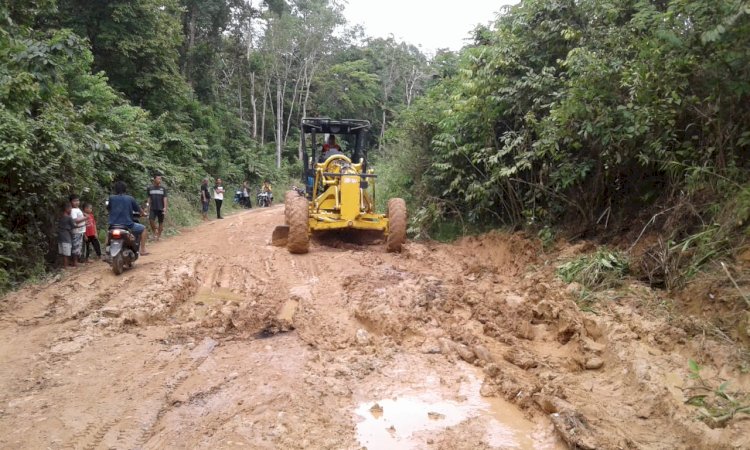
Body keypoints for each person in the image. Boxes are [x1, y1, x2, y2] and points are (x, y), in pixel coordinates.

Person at [107, 181, 148, 255]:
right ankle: (143, 250)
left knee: (108, 234)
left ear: (115, 189)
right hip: (127, 224)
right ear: (125, 189)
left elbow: (109, 209)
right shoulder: (130, 198)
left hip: (113, 225)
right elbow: (138, 210)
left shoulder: (111, 198)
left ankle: (106, 251)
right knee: (143, 229)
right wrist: (143, 214)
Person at [146, 175, 168, 241]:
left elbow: (165, 198)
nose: (159, 180)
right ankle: (155, 231)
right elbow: (149, 198)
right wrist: (147, 206)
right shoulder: (150, 188)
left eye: (160, 179)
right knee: (151, 220)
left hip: (161, 208)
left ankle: (158, 236)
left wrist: (165, 207)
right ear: (154, 179)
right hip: (153, 208)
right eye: (158, 179)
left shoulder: (163, 188)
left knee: (160, 222)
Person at [58, 202, 75, 268]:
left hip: (60, 236)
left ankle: (64, 265)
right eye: (70, 208)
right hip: (66, 236)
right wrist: (84, 224)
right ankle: (65, 266)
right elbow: (74, 226)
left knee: (62, 253)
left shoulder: (60, 216)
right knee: (66, 253)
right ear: (67, 209)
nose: (71, 210)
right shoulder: (69, 217)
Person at [69, 194, 86, 263]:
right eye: (74, 201)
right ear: (71, 202)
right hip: (76, 231)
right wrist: (85, 218)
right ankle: (75, 262)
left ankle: (77, 261)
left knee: (78, 246)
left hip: (80, 231)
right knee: (75, 246)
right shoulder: (73, 210)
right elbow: (75, 220)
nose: (77, 202)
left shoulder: (77, 209)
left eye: (78, 200)